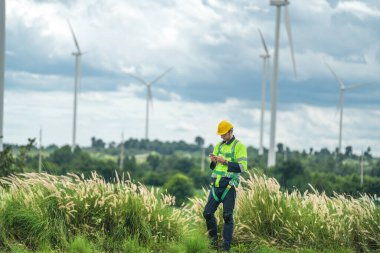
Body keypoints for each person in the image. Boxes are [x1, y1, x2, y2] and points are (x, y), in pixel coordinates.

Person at [203, 120, 248, 252]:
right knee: (207, 213)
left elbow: (242, 167)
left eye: (223, 134)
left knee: (227, 216)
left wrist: (225, 162)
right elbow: (213, 167)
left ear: (231, 131)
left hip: (229, 186)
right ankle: (213, 244)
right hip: (216, 185)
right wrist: (214, 161)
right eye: (220, 134)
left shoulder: (239, 146)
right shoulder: (218, 146)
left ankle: (225, 248)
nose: (221, 136)